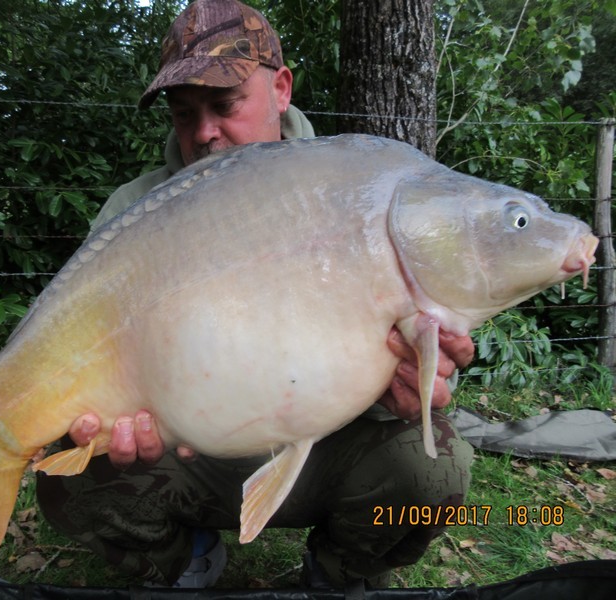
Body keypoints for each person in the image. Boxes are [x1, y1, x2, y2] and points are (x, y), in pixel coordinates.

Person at [37, 0, 474, 589]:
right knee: (66, 474)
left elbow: (425, 358)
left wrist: (412, 382)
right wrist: (117, 419)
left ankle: (336, 573)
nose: (204, 133)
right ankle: (184, 559)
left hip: (323, 449)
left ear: (281, 89)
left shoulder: (359, 190)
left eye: (225, 105)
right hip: (187, 457)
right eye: (184, 113)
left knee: (433, 467)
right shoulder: (132, 212)